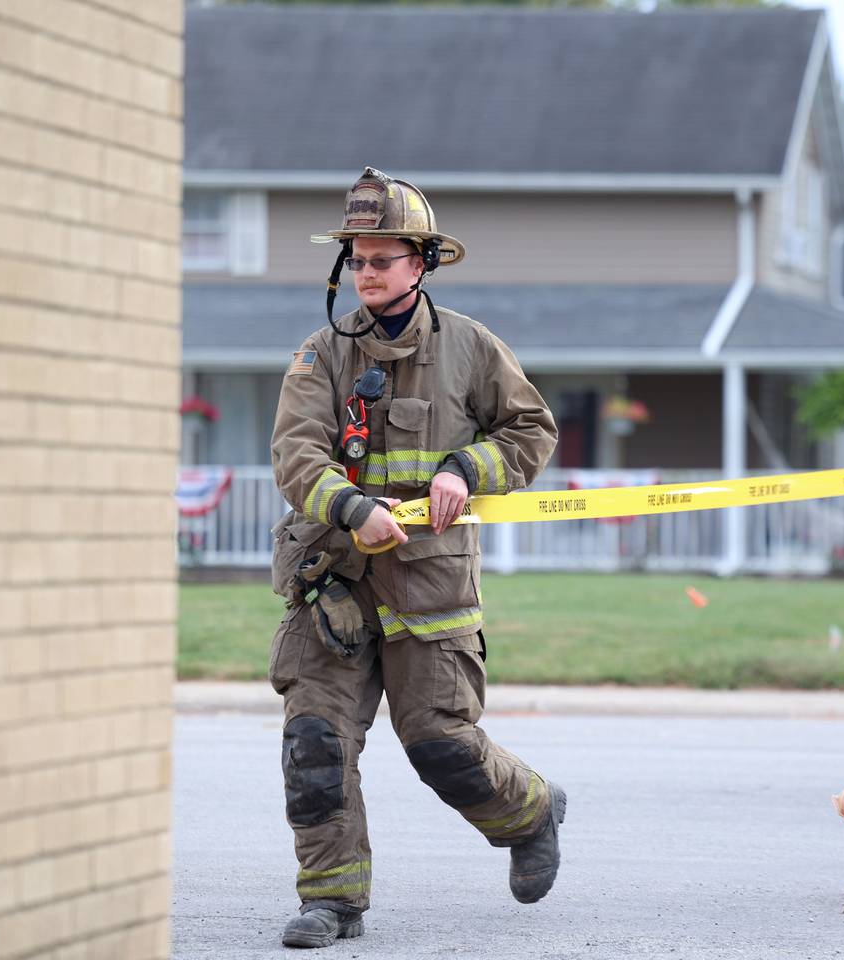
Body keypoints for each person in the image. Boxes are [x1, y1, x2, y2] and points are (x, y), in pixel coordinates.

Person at [267, 167, 563, 949]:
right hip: (331, 581)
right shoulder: (319, 357)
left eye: (384, 258)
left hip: (430, 585)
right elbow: (296, 455)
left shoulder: (471, 347)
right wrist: (351, 510)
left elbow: (531, 433)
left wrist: (467, 470)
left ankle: (530, 811)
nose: (368, 273)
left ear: (421, 262)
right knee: (315, 745)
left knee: (442, 747)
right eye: (357, 260)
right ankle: (333, 901)